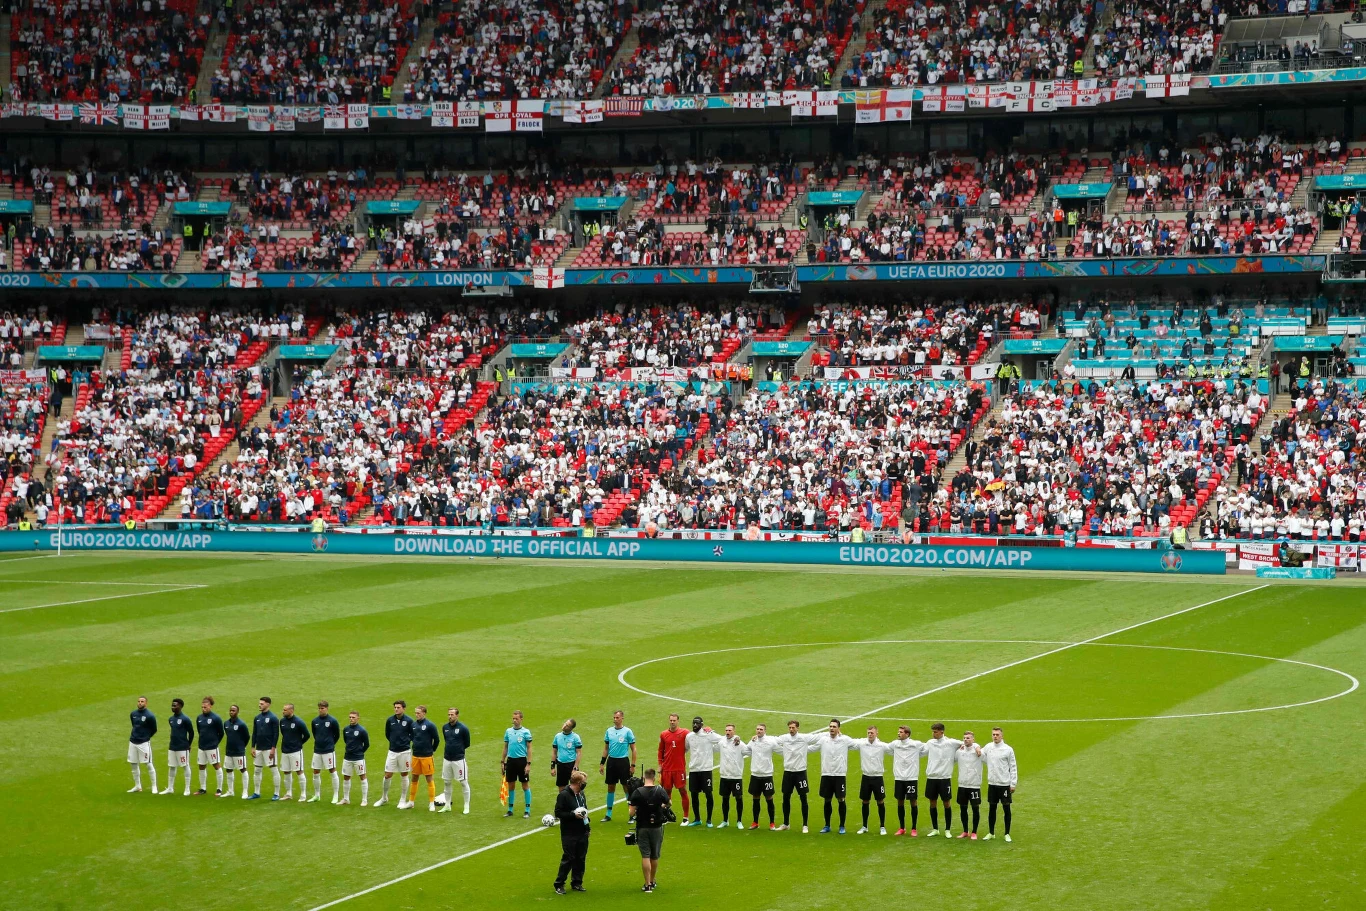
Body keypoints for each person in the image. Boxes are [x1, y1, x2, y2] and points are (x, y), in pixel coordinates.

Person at [775, 719, 821, 832]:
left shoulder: (804, 738)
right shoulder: (784, 738)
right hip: (788, 772)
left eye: (793, 727)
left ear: (798, 728)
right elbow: (773, 740)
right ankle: (786, 823)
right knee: (785, 797)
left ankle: (805, 825)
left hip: (800, 773)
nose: (791, 730)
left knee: (803, 798)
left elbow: (817, 736)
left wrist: (834, 732)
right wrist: (757, 737)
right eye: (789, 728)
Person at [813, 719, 858, 833]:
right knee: (827, 800)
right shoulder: (823, 740)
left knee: (841, 799)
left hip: (839, 775)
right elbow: (812, 748)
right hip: (826, 774)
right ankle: (827, 825)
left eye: (834, 727)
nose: (832, 728)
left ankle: (842, 826)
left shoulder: (845, 740)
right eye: (830, 726)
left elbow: (858, 744)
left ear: (838, 729)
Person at [628, 769, 669, 892]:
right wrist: (660, 806)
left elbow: (631, 812)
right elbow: (668, 803)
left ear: (644, 778)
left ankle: (647, 885)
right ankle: (652, 880)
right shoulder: (660, 790)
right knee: (654, 856)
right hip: (656, 827)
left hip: (642, 827)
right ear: (654, 778)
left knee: (645, 855)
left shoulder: (637, 792)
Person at [552, 769, 591, 894]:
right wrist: (573, 815)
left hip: (582, 832)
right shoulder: (564, 795)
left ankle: (577, 882)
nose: (585, 784)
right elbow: (558, 813)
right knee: (568, 858)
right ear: (578, 782)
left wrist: (587, 827)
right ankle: (559, 884)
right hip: (569, 832)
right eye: (584, 782)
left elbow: (585, 811)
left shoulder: (581, 794)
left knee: (581, 858)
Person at [852, 725, 892, 834]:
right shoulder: (862, 743)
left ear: (876, 733)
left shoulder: (882, 746)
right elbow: (850, 742)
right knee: (865, 801)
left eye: (872, 733)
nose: (870, 735)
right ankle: (864, 826)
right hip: (865, 777)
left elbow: (894, 751)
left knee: (880, 801)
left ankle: (882, 826)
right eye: (868, 733)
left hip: (878, 777)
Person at [923, 722, 961, 836]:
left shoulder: (951, 743)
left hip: (944, 778)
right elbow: (921, 751)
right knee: (932, 802)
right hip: (932, 777)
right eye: (933, 731)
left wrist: (977, 747)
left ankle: (947, 830)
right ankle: (935, 829)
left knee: (946, 803)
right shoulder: (930, 743)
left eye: (935, 732)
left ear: (942, 732)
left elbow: (968, 743)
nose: (933, 734)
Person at [684, 716, 722, 827]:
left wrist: (711, 733)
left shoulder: (708, 735)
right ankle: (697, 819)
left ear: (702, 724)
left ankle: (709, 820)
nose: (695, 726)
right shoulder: (689, 736)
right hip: (694, 770)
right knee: (694, 794)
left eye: (697, 723)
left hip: (706, 769)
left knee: (708, 794)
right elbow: (686, 748)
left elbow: (722, 740)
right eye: (693, 723)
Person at [981, 727, 1018, 842]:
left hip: (1004, 784)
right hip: (992, 783)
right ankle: (991, 832)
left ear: (1002, 736)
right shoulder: (988, 747)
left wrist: (1013, 783)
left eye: (997, 734)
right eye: (993, 734)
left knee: (1006, 808)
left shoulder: (1008, 749)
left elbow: (1013, 767)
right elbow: (979, 753)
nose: (995, 736)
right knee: (992, 808)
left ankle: (1007, 833)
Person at [889, 725, 927, 835]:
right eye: (898, 731)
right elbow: (885, 748)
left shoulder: (915, 744)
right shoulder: (895, 744)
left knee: (913, 801)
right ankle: (902, 828)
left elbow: (928, 748)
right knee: (900, 801)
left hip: (911, 778)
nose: (898, 733)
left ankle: (914, 828)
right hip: (899, 778)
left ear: (907, 734)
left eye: (901, 732)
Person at [599, 710, 637, 821]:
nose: (615, 719)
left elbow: (634, 749)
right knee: (610, 787)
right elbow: (606, 748)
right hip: (612, 762)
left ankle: (632, 814)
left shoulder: (627, 731)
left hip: (623, 762)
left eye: (617, 717)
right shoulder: (609, 731)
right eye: (614, 717)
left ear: (622, 718)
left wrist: (633, 765)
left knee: (626, 787)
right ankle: (608, 814)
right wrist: (602, 763)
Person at [376, 699, 414, 808]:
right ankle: (384, 797)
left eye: (398, 707)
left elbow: (413, 735)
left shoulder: (409, 721)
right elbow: (387, 734)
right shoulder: (390, 720)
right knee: (387, 774)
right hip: (392, 751)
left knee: (404, 774)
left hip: (405, 752)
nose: (396, 709)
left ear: (404, 708)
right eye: (395, 707)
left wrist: (404, 741)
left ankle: (402, 799)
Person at [656, 713, 691, 824]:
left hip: (679, 768)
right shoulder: (664, 734)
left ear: (678, 721)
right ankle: (666, 816)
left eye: (674, 720)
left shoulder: (685, 733)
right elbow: (660, 750)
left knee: (683, 791)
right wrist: (660, 764)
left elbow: (696, 735)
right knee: (666, 792)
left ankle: (686, 817)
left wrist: (707, 729)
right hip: (667, 768)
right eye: (671, 720)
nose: (672, 722)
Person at [745, 723, 779, 829]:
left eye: (761, 729)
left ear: (765, 731)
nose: (759, 731)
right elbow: (746, 750)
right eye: (757, 729)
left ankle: (772, 823)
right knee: (755, 798)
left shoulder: (770, 742)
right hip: (755, 774)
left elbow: (780, 750)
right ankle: (755, 822)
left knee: (769, 797)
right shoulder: (753, 741)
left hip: (767, 774)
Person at [502, 709, 533, 818]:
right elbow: (505, 747)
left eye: (516, 718)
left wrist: (528, 763)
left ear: (521, 719)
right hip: (510, 761)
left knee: (525, 786)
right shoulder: (508, 731)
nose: (514, 720)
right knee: (511, 785)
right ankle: (510, 809)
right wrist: (503, 761)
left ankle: (527, 809)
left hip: (521, 761)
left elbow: (529, 748)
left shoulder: (526, 732)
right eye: (513, 718)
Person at [439, 707, 472, 814]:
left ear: (457, 716)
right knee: (447, 782)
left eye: (452, 715)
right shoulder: (445, 727)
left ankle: (466, 805)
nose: (450, 716)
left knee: (463, 782)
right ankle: (447, 805)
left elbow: (467, 743)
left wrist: (458, 750)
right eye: (449, 714)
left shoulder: (463, 728)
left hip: (458, 759)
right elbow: (446, 740)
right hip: (447, 759)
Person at [309, 701, 342, 804]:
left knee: (332, 771)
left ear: (327, 708)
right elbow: (315, 734)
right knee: (315, 772)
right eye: (319, 708)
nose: (320, 710)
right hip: (317, 750)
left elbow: (337, 735)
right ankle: (317, 795)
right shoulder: (315, 721)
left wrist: (330, 744)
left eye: (322, 708)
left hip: (328, 751)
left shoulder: (332, 721)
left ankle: (336, 795)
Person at [249, 696, 281, 801]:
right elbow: (254, 733)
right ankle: (256, 792)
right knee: (257, 770)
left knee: (273, 770)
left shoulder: (273, 718)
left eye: (262, 704)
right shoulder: (257, 718)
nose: (260, 705)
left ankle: (276, 793)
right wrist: (253, 747)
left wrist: (273, 748)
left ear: (268, 704)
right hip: (259, 748)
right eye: (260, 703)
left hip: (268, 748)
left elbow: (276, 734)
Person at [954, 731, 985, 839]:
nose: (966, 739)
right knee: (963, 808)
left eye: (968, 738)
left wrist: (977, 747)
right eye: (964, 738)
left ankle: (974, 832)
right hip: (962, 785)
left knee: (975, 808)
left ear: (973, 740)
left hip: (974, 785)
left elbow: (987, 760)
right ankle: (965, 831)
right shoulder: (959, 752)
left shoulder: (979, 752)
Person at [409, 705, 441, 811]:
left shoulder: (430, 725)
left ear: (424, 713)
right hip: (415, 756)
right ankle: (411, 801)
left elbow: (436, 739)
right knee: (414, 777)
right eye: (415, 713)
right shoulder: (413, 725)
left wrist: (432, 750)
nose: (416, 715)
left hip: (426, 756)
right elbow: (412, 737)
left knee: (429, 778)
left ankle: (431, 803)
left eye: (418, 713)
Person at [716, 724, 748, 828]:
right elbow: (713, 743)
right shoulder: (721, 742)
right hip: (724, 776)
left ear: (734, 731)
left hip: (736, 776)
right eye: (726, 730)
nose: (727, 732)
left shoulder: (739, 743)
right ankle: (725, 820)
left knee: (738, 798)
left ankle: (739, 821)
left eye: (730, 730)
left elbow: (748, 751)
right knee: (725, 798)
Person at [161, 698, 194, 796]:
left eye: (174, 705)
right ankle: (170, 788)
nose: (172, 707)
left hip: (182, 747)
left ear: (180, 706)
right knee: (171, 766)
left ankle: (187, 789)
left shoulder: (185, 719)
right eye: (172, 705)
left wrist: (188, 744)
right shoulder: (171, 719)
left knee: (185, 765)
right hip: (172, 747)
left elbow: (191, 732)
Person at [278, 703, 310, 801]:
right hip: (285, 751)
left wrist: (298, 744)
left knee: (299, 771)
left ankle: (303, 794)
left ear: (291, 711)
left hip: (295, 751)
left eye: (285, 710)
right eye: (283, 710)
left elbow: (307, 735)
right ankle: (288, 793)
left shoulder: (299, 722)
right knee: (286, 771)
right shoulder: (282, 721)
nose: (283, 712)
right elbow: (284, 734)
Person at [194, 696, 225, 796]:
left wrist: (215, 743)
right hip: (201, 747)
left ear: (210, 706)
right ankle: (203, 788)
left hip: (212, 747)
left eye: (205, 707)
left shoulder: (216, 718)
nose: (203, 709)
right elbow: (199, 731)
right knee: (201, 766)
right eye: (202, 707)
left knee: (216, 765)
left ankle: (219, 789)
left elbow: (221, 733)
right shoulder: (199, 718)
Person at [127, 695, 158, 794]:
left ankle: (154, 786)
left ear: (146, 703)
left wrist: (145, 737)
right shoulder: (133, 714)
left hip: (144, 743)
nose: (140, 703)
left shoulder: (150, 716)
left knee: (148, 764)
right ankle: (137, 786)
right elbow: (134, 725)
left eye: (142, 701)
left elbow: (154, 729)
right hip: (133, 742)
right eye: (139, 701)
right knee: (133, 764)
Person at [341, 710, 370, 806]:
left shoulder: (362, 730)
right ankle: (346, 799)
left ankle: (364, 800)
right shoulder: (345, 729)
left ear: (358, 718)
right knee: (346, 777)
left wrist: (360, 752)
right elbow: (346, 741)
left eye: (353, 717)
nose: (351, 719)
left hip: (358, 758)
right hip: (347, 757)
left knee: (362, 776)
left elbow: (366, 744)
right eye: (350, 717)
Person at [223, 704, 250, 798]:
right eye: (230, 710)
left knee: (242, 769)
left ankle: (245, 792)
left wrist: (242, 746)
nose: (231, 712)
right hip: (229, 751)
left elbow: (247, 737)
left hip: (239, 752)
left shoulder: (241, 724)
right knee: (228, 770)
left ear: (237, 712)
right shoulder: (226, 723)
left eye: (233, 710)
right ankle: (230, 791)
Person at [552, 718, 584, 792]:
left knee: (576, 788)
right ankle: (564, 803)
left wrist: (575, 768)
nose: (564, 726)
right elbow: (554, 752)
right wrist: (552, 767)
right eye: (565, 723)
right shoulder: (557, 736)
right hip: (560, 765)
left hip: (571, 765)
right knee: (561, 789)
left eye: (567, 725)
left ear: (571, 728)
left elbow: (579, 753)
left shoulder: (575, 737)